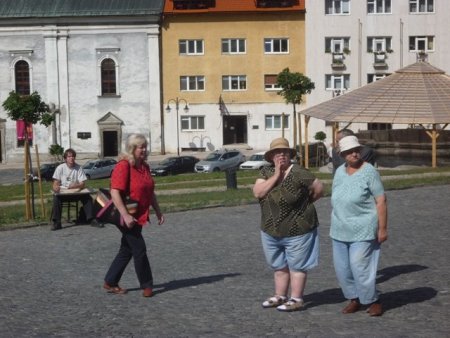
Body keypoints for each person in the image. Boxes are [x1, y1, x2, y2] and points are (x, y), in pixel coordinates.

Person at [253, 137, 324, 312]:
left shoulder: (299, 172)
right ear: (271, 157)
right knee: (278, 265)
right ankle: (280, 295)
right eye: (277, 153)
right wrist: (277, 174)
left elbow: (319, 189)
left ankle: (297, 298)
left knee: (297, 266)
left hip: (298, 229)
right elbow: (258, 192)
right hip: (270, 229)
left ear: (289, 155)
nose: (281, 156)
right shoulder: (265, 172)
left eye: (284, 152)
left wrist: (306, 203)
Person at [330, 135, 388, 317]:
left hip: (363, 227)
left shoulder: (369, 171)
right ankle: (354, 298)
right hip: (339, 228)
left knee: (359, 266)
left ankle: (373, 300)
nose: (354, 154)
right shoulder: (340, 171)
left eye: (356, 150)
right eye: (349, 152)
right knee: (343, 270)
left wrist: (382, 228)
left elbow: (380, 200)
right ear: (342, 154)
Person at [103, 134, 164, 298]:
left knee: (127, 249)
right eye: (140, 146)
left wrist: (157, 210)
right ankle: (147, 284)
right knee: (139, 248)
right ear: (132, 148)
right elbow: (114, 191)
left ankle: (110, 281)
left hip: (138, 214)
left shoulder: (144, 167)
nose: (144, 149)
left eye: (145, 146)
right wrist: (125, 215)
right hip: (125, 215)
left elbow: (150, 192)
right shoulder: (124, 166)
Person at [51, 148, 100, 231]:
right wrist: (56, 187)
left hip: (76, 193)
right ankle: (57, 222)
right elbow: (55, 183)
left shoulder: (78, 168)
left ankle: (91, 219)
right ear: (65, 158)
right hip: (64, 194)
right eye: (69, 156)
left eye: (73, 156)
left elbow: (83, 183)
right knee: (56, 198)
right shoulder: (60, 168)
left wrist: (75, 186)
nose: (71, 158)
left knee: (87, 197)